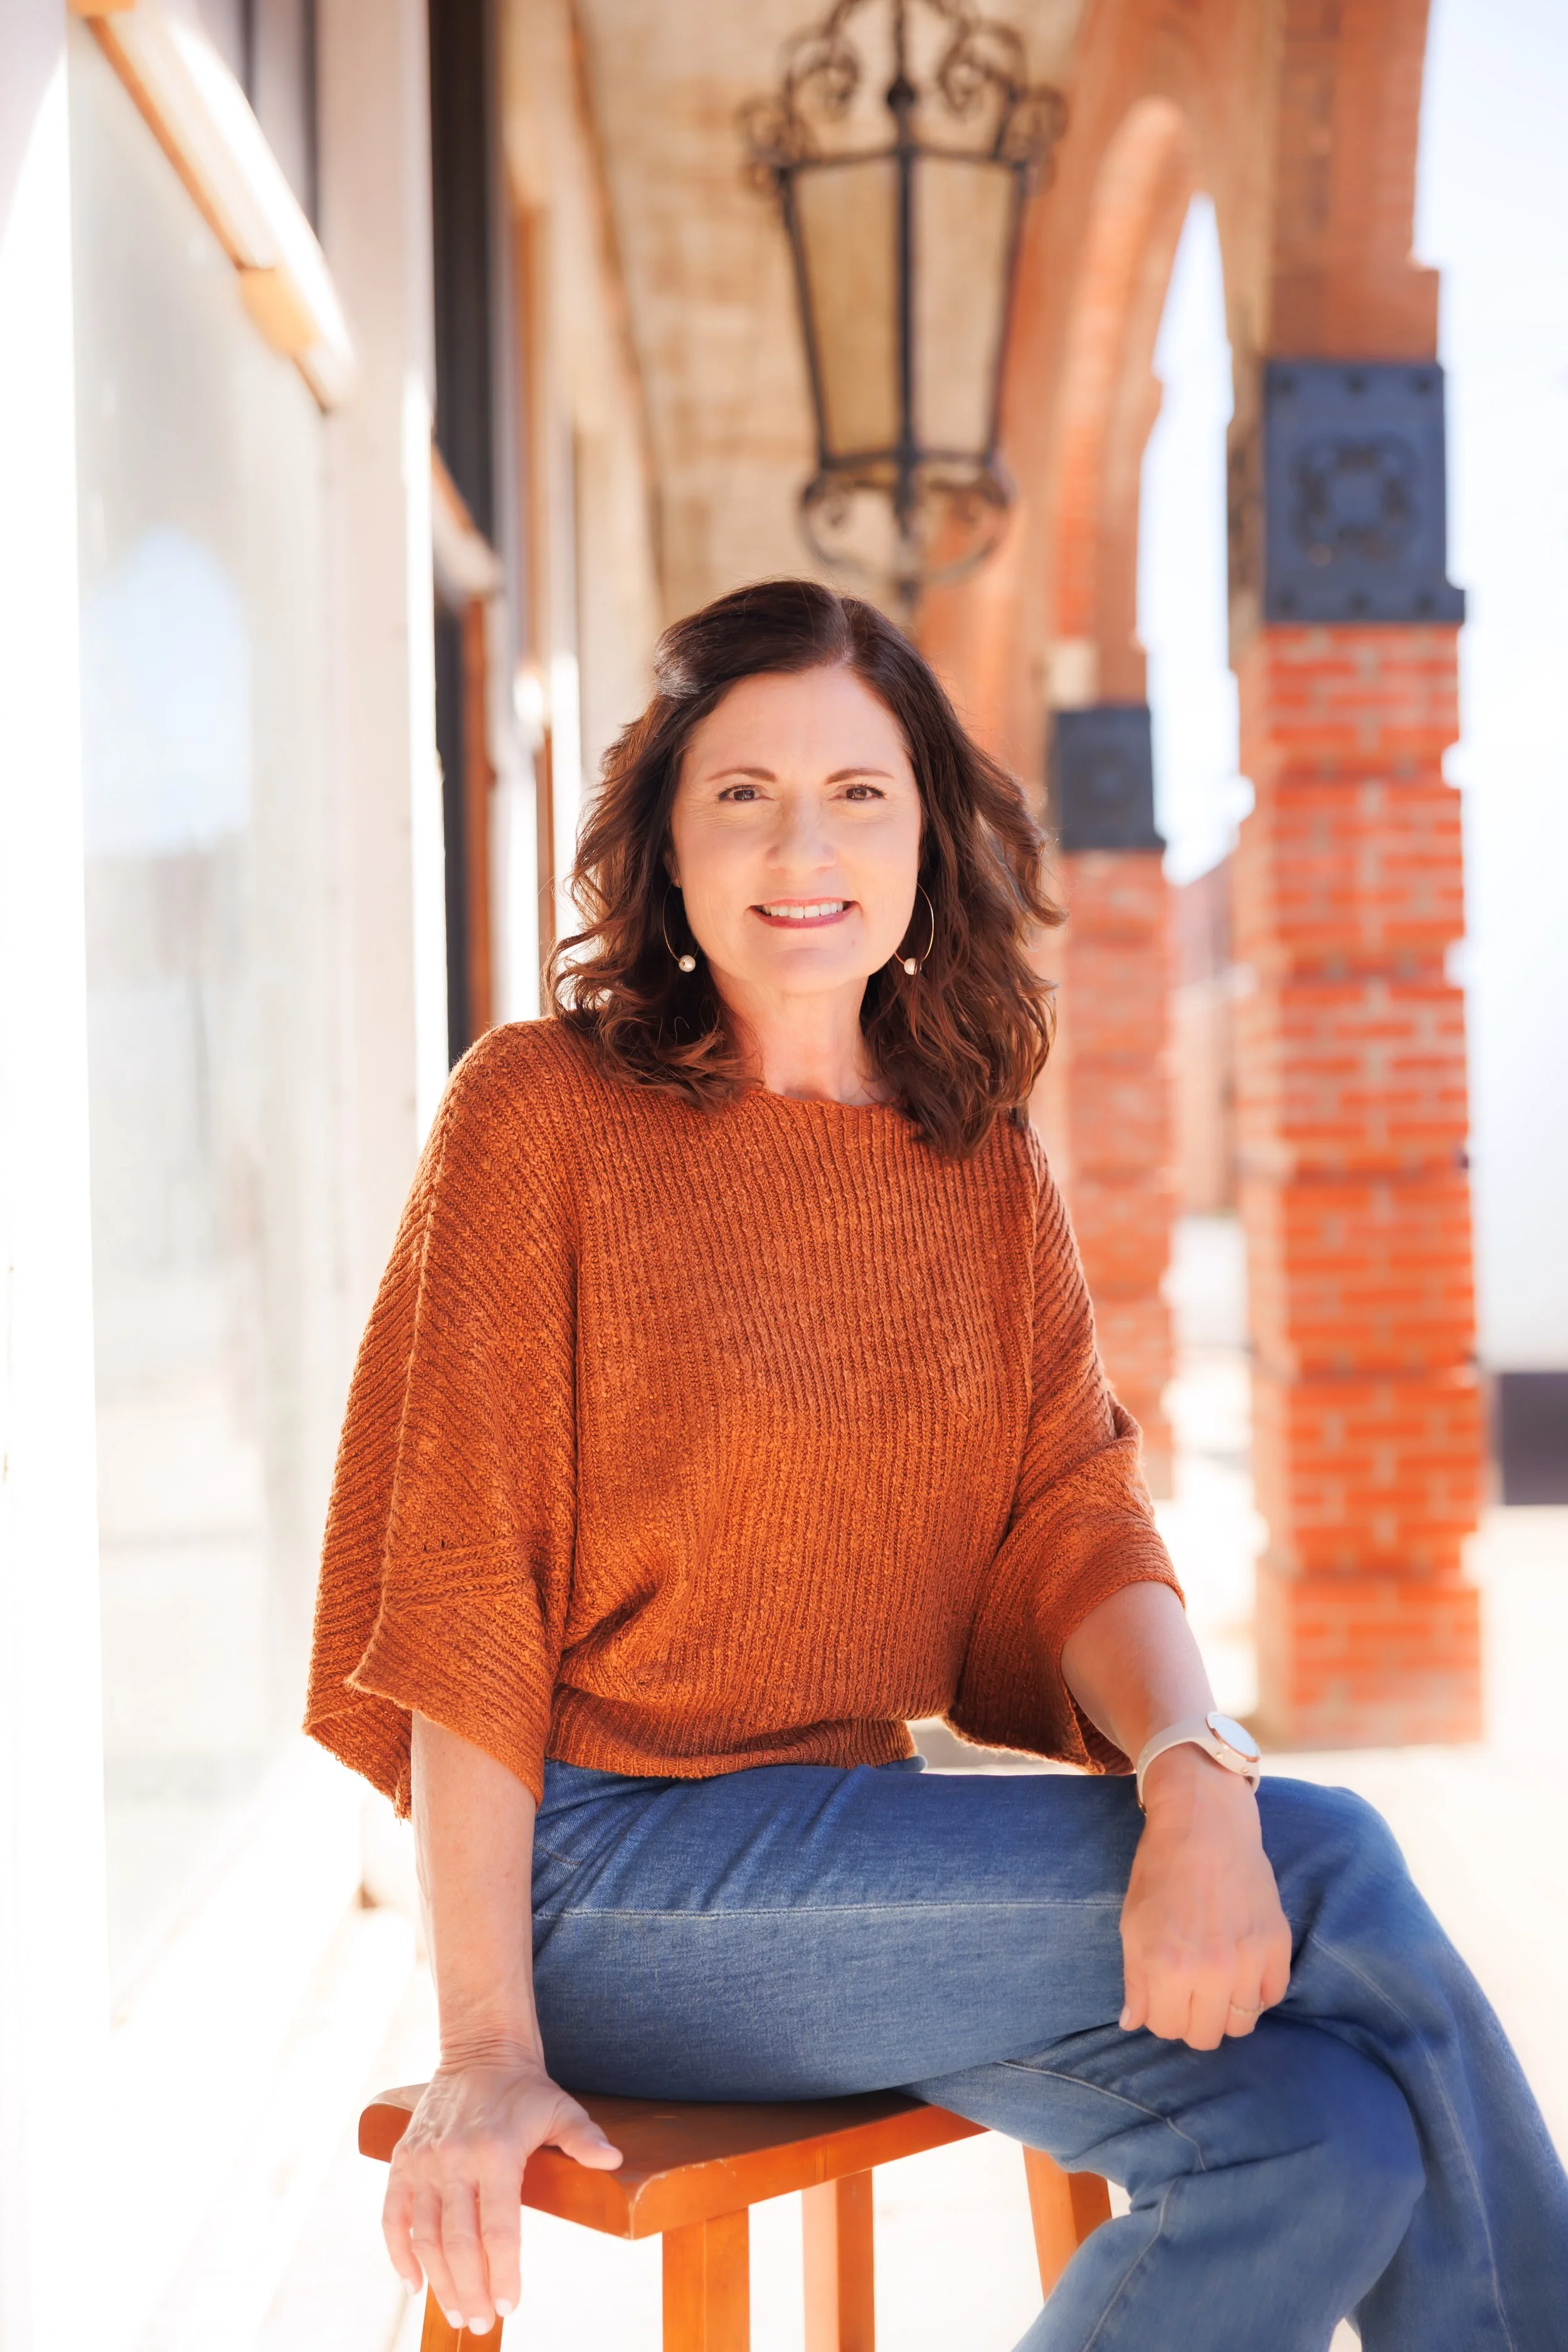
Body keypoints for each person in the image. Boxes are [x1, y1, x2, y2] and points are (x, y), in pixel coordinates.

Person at [306, 579, 1567, 2351]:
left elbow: (1075, 1521)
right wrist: (483, 2043)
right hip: (601, 1885)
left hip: (853, 1853)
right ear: (666, 840)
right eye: (742, 793)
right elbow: (460, 1589)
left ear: (925, 839)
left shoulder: (973, 1160)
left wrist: (1193, 1766)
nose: (800, 846)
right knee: (1338, 1859)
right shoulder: (540, 1113)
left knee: (1326, 2138)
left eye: (857, 792)